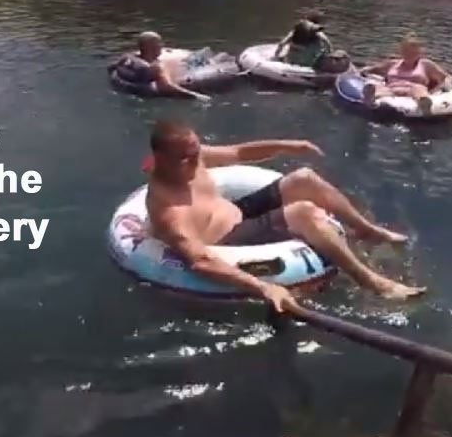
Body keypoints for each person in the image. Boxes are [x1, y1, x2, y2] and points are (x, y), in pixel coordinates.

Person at [144, 119, 424, 310]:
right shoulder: (168, 209)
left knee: (304, 178)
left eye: (196, 151)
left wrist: (288, 145)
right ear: (161, 159)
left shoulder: (191, 156)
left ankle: (367, 229)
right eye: (187, 158)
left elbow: (239, 151)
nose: (197, 160)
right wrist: (264, 288)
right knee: (304, 212)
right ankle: (371, 282)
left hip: (238, 212)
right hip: (226, 240)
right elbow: (200, 261)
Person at [361, 35, 450, 109]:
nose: (409, 53)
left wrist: (446, 84)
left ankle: (424, 103)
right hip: (392, 89)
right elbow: (373, 69)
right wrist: (364, 70)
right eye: (406, 50)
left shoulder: (426, 64)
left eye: (412, 51)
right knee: (381, 88)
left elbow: (445, 77)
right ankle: (371, 99)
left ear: (418, 51)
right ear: (402, 51)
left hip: (413, 90)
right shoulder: (393, 63)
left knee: (418, 89)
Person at [110, 31, 206, 99]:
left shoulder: (126, 57)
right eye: (159, 43)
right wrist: (196, 96)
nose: (162, 45)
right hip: (148, 100)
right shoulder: (155, 67)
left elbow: (111, 68)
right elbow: (166, 87)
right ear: (152, 47)